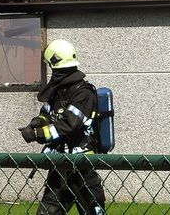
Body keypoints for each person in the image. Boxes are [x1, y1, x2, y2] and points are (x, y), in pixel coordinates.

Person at [18, 39, 106, 215]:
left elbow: (68, 124)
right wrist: (36, 123)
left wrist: (36, 134)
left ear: (54, 63)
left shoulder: (83, 93)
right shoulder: (60, 90)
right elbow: (48, 113)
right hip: (61, 164)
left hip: (82, 166)